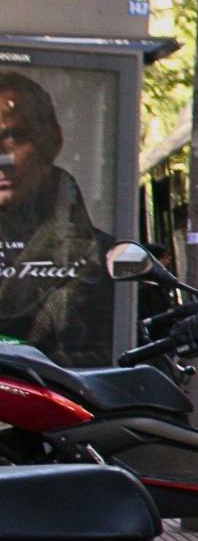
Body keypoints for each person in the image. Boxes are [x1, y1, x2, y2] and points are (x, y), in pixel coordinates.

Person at [0, 70, 114, 367]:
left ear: (52, 140)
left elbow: (109, 361)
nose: (3, 157)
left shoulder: (102, 257)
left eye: (15, 137)